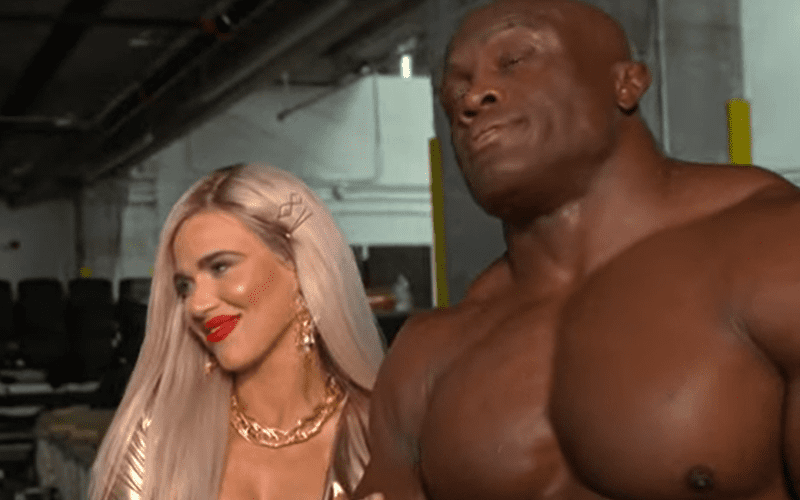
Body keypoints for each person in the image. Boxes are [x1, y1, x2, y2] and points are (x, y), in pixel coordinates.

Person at [353, 1, 800, 499]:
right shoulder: (428, 354)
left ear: (626, 83)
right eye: (454, 90)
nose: (473, 97)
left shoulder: (778, 250)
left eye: (514, 59)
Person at [89, 163, 385, 499]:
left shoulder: (381, 434)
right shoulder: (156, 442)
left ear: (297, 266)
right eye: (185, 286)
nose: (196, 305)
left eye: (220, 267)